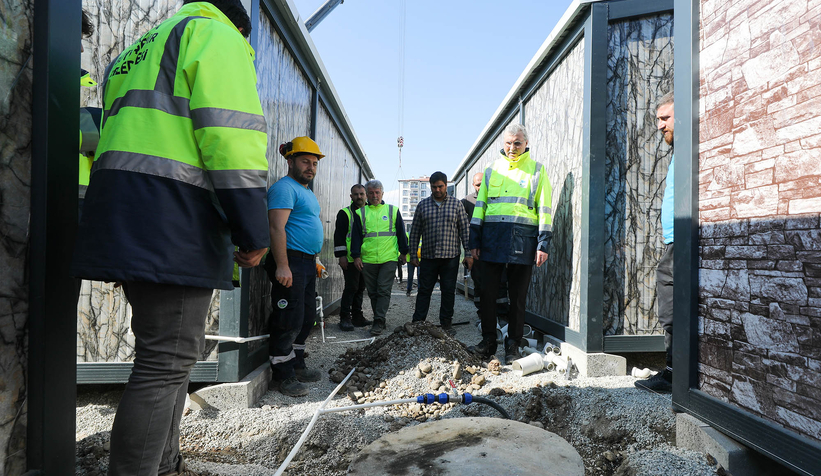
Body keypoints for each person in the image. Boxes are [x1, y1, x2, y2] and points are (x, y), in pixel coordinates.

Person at [70, 1, 269, 474]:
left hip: (129, 215)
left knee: (167, 359)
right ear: (240, 27)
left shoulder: (139, 50)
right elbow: (231, 139)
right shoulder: (214, 36)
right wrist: (251, 228)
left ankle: (164, 464)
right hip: (173, 219)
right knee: (165, 363)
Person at [468, 123, 552, 364]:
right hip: (491, 240)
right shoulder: (491, 170)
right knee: (487, 294)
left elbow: (544, 210)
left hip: (522, 242)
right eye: (508, 143)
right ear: (502, 144)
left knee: (517, 298)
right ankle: (488, 343)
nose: (513, 147)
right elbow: (480, 206)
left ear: (526, 144)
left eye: (517, 143)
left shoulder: (536, 170)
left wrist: (543, 243)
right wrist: (475, 238)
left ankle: (513, 345)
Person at [265, 137, 326, 397]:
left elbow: (305, 227)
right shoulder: (284, 188)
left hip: (306, 262)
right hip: (290, 261)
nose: (311, 167)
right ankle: (284, 374)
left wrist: (316, 259)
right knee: (287, 318)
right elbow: (276, 227)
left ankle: (297, 363)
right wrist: (282, 265)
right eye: (305, 161)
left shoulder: (306, 192)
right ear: (290, 162)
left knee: (306, 317)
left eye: (314, 163)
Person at [636, 92, 675, 394]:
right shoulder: (680, 151)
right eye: (658, 120)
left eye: (665, 118)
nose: (660, 126)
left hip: (682, 242)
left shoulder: (690, 148)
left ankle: (674, 375)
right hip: (675, 240)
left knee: (672, 307)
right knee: (670, 305)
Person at [408, 171, 472, 331]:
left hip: (450, 257)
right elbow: (415, 231)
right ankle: (418, 322)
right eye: (434, 187)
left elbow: (465, 230)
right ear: (430, 187)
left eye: (440, 187)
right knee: (424, 290)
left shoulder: (456, 205)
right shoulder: (423, 205)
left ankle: (446, 323)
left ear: (446, 185)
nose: (437, 190)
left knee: (448, 291)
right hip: (429, 257)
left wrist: (468, 254)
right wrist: (413, 254)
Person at [351, 180, 409, 336]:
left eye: (377, 192)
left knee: (383, 290)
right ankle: (379, 318)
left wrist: (404, 252)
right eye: (371, 192)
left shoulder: (392, 211)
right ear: (367, 194)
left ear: (382, 193)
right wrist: (356, 256)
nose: (374, 195)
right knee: (373, 292)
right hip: (368, 259)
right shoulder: (360, 213)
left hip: (388, 258)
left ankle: (379, 320)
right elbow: (355, 237)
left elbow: (401, 234)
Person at [461, 172, 509, 324]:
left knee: (501, 281)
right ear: (473, 185)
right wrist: (467, 252)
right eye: (477, 184)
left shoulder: (498, 198)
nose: (480, 187)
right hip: (477, 251)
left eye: (483, 183)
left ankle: (502, 315)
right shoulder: (466, 202)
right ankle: (483, 314)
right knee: (480, 282)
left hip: (496, 248)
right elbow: (462, 228)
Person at [333, 184, 372, 331]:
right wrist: (341, 256)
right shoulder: (345, 213)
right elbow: (339, 237)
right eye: (356, 194)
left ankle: (357, 317)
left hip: (366, 258)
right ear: (351, 196)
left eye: (362, 194)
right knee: (351, 287)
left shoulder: (370, 212)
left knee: (361, 288)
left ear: (366, 195)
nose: (359, 197)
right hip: (350, 259)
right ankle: (345, 318)